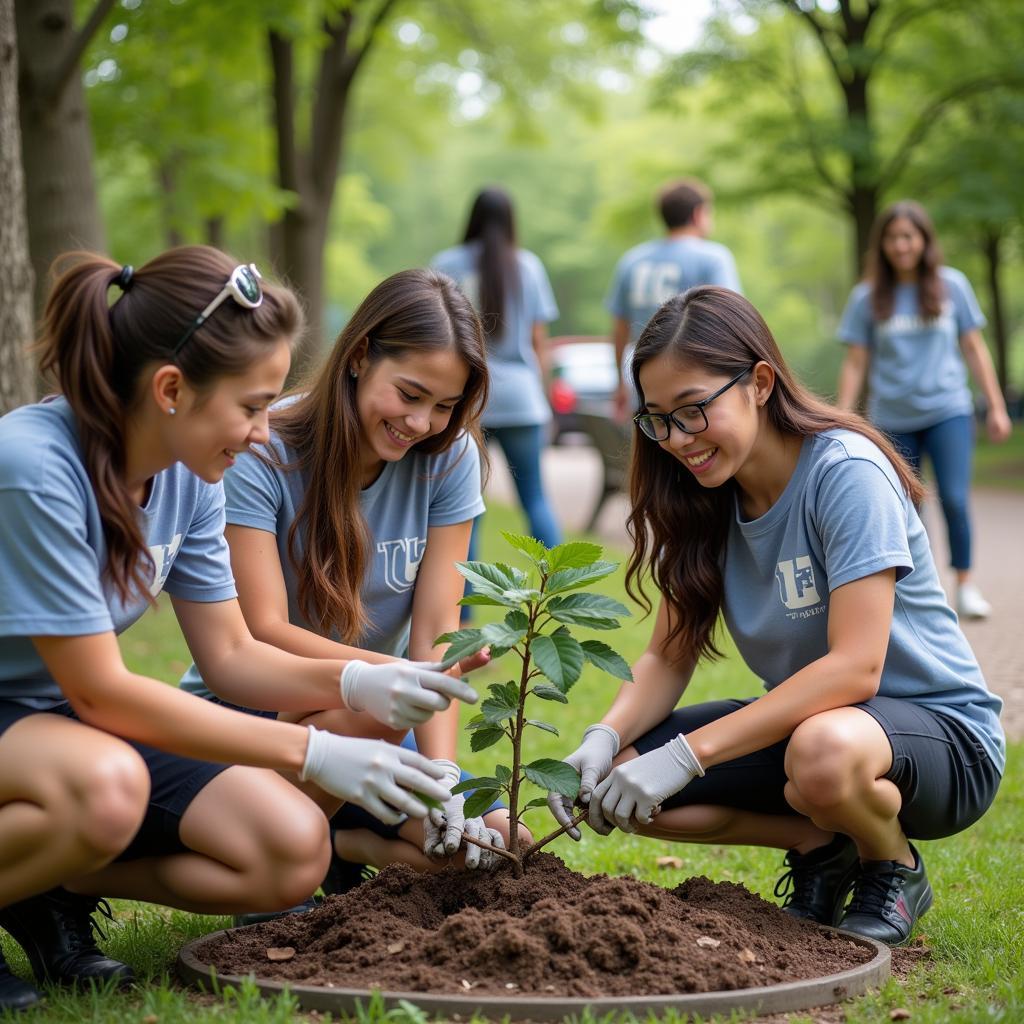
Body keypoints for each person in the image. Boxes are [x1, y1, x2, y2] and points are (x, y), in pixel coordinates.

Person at [0, 248, 476, 1012]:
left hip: (57, 727)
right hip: (48, 724)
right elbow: (100, 692)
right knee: (104, 786)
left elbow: (232, 655)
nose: (264, 433)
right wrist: (316, 748)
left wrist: (361, 680)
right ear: (170, 389)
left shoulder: (189, 474)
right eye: (253, 406)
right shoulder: (34, 466)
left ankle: (46, 883)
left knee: (290, 849)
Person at [547, 286, 1004, 947]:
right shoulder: (701, 499)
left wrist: (687, 755)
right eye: (657, 419)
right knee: (619, 781)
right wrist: (599, 736)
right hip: (813, 729)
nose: (677, 439)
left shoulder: (844, 472)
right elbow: (667, 656)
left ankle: (891, 864)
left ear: (760, 382)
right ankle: (821, 846)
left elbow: (856, 668)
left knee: (821, 752)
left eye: (694, 410)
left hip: (940, 736)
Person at [181, 268, 523, 906]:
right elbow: (264, 631)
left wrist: (442, 772)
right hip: (259, 707)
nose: (422, 422)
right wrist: (389, 679)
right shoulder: (266, 449)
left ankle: (340, 844)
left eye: (445, 405)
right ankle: (280, 862)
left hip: (380, 719)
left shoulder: (451, 458)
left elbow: (435, 632)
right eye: (411, 394)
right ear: (361, 354)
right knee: (368, 716)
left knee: (493, 843)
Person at [836, 200, 1012, 620]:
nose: (901, 246)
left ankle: (966, 584)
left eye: (908, 237)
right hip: (893, 419)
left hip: (948, 410)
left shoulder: (953, 286)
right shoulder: (867, 297)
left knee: (953, 498)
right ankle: (922, 591)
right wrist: (842, 417)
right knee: (907, 509)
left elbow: (974, 347)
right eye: (893, 238)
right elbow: (856, 361)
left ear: (924, 240)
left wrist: (996, 406)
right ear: (882, 244)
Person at [431, 186, 562, 552]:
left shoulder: (446, 264)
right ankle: (561, 593)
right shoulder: (528, 265)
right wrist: (546, 399)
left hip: (467, 396)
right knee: (535, 498)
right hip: (522, 398)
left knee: (464, 506)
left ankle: (463, 609)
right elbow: (540, 342)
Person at [607, 177, 741, 419]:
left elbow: (619, 331)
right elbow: (730, 319)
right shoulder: (713, 257)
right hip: (694, 380)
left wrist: (619, 382)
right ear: (699, 214)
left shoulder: (632, 260)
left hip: (643, 379)